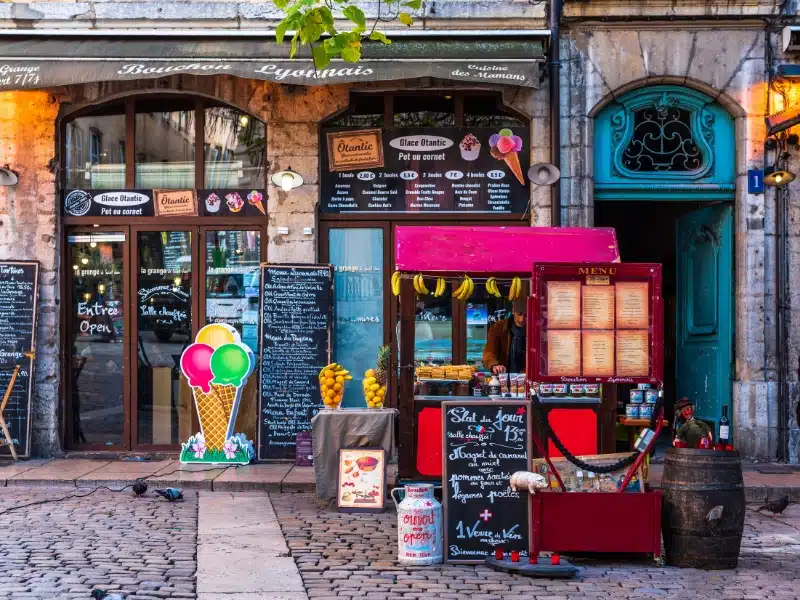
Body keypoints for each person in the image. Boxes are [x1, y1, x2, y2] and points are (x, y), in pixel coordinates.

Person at [482, 299, 526, 374]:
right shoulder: (498, 327)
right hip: (503, 378)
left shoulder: (533, 330)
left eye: (526, 315)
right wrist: (494, 365)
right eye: (519, 314)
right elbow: (489, 352)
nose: (522, 319)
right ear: (513, 311)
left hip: (523, 379)